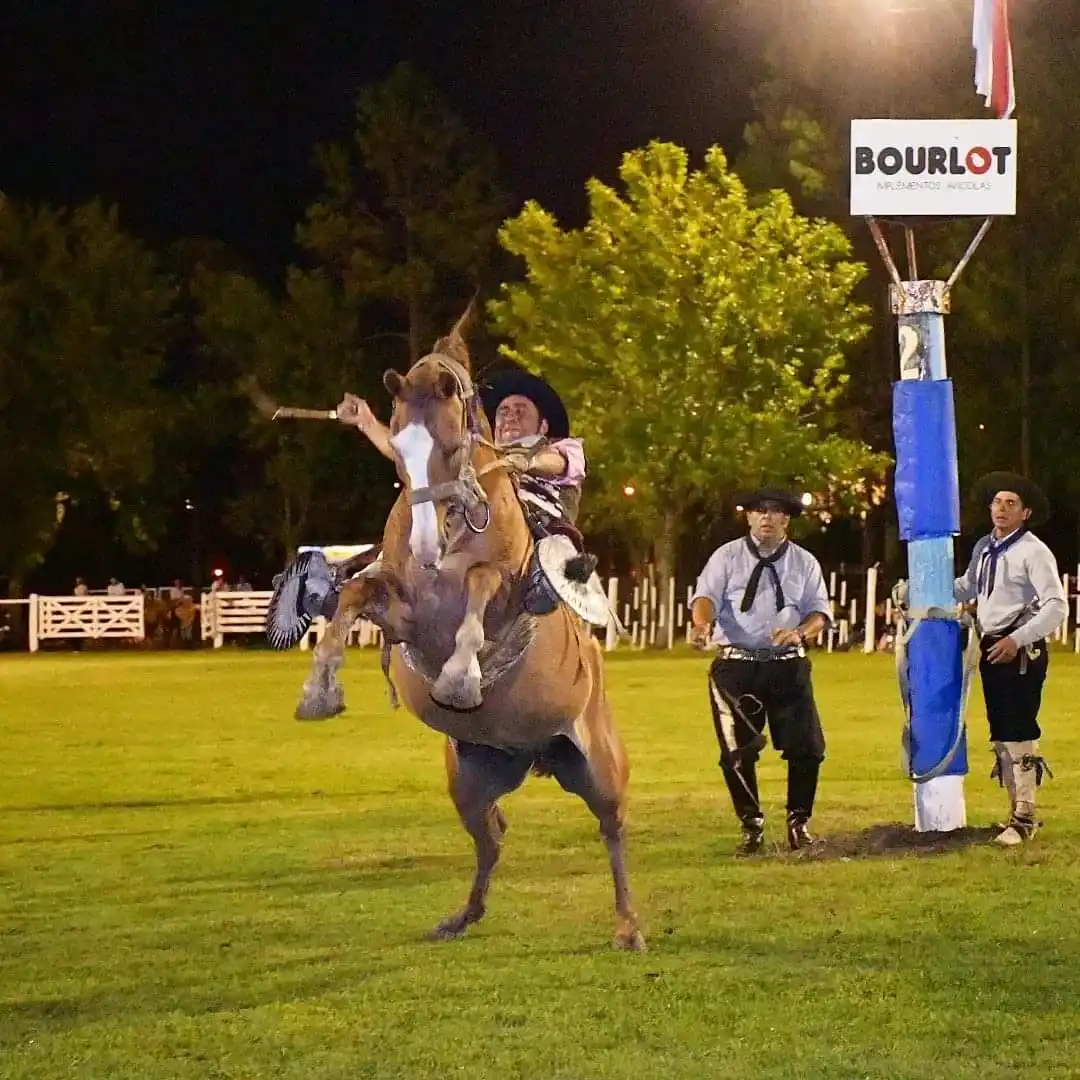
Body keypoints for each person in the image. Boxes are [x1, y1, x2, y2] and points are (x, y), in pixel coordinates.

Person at [335, 369, 608, 624]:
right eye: (504, 411)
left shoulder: (563, 448)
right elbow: (407, 450)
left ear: (544, 425)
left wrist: (528, 461)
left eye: (521, 411)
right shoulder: (476, 454)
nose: (510, 416)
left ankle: (544, 585)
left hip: (538, 524)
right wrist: (366, 422)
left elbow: (559, 463)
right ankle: (365, 581)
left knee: (556, 546)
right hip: (475, 522)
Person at [688, 488, 833, 854]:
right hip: (735, 667)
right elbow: (705, 597)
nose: (766, 517)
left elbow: (819, 612)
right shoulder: (726, 557)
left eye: (775, 511)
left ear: (787, 519)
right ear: (748, 517)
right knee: (736, 752)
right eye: (758, 510)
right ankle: (751, 826)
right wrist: (702, 625)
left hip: (788, 665)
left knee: (807, 748)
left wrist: (800, 632)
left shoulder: (805, 562)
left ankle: (799, 823)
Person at [953, 472, 1066, 846]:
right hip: (991, 645)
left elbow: (1056, 606)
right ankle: (1015, 814)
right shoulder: (984, 547)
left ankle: (1025, 817)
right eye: (997, 502)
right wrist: (920, 589)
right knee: (1001, 732)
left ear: (1025, 513)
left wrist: (1016, 639)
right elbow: (968, 587)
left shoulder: (1034, 551)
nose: (1001, 509)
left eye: (1011, 504)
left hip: (1020, 650)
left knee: (1019, 730)